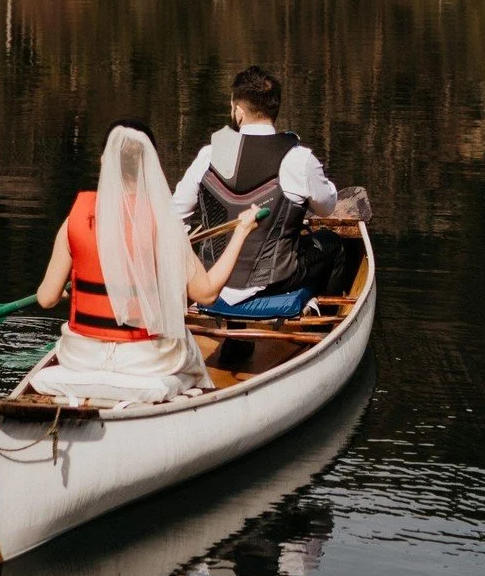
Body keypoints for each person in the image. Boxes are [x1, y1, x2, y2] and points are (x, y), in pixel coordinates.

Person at [30, 121, 263, 405]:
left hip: (81, 355)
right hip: (144, 360)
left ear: (104, 160)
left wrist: (68, 292)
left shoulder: (75, 218)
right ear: (150, 164)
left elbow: (46, 298)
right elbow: (207, 293)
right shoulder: (164, 224)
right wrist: (242, 231)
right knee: (187, 344)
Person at [172, 65, 347, 320]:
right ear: (275, 109)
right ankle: (323, 322)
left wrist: (192, 268)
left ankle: (230, 332)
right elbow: (327, 208)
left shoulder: (209, 155)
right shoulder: (299, 159)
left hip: (211, 280)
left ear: (238, 111)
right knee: (335, 245)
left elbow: (174, 217)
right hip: (274, 281)